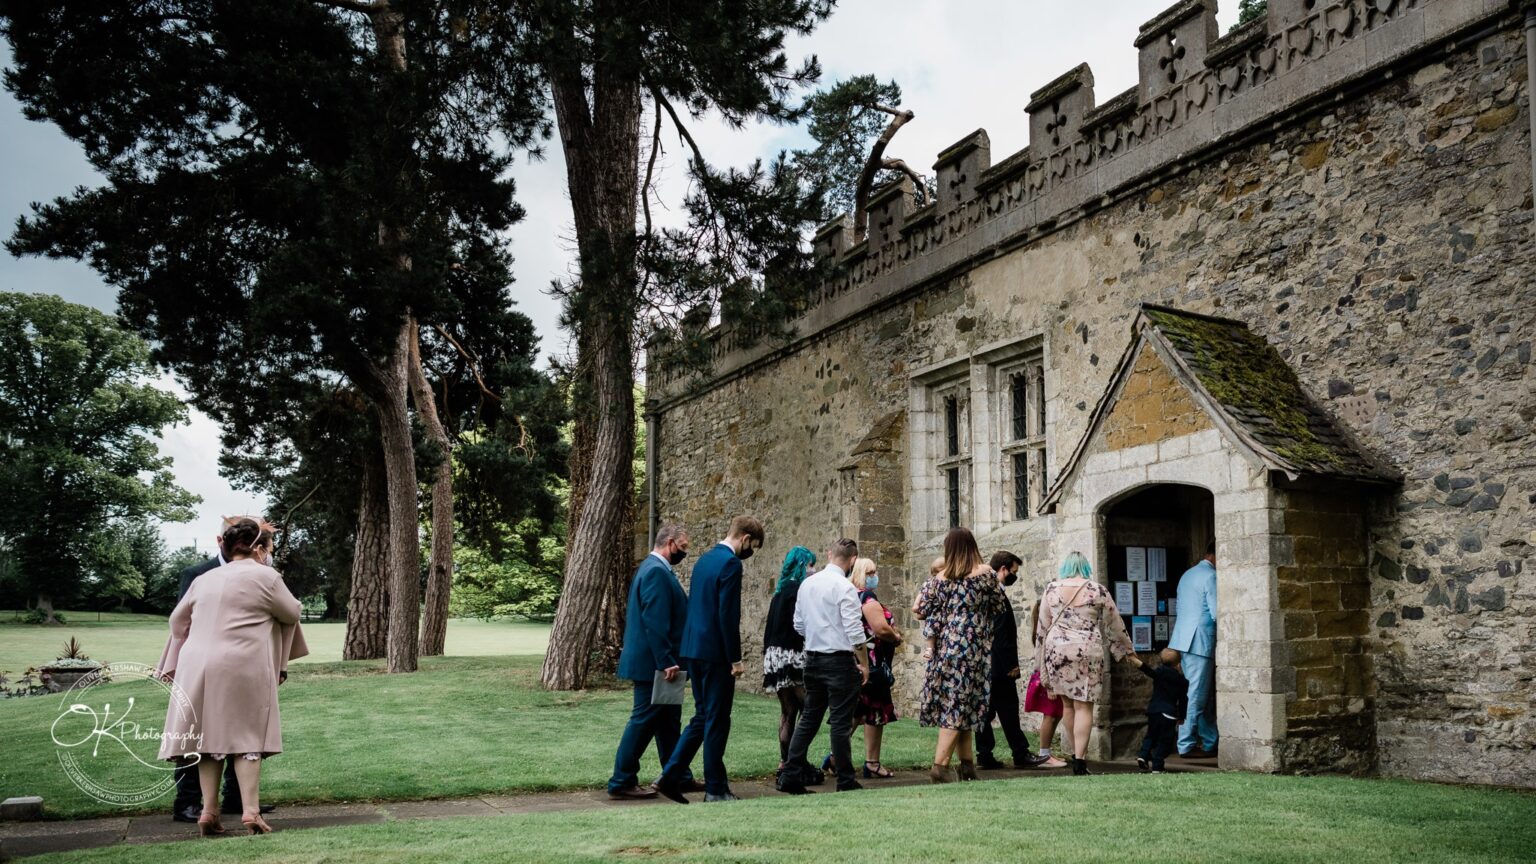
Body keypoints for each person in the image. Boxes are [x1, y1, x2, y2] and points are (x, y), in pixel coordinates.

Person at [157, 518, 308, 835]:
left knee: (207, 739)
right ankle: (251, 812)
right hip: (242, 663)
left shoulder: (206, 579)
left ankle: (209, 811)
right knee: (247, 737)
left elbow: (176, 621)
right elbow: (292, 612)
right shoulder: (267, 576)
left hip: (196, 664)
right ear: (260, 549)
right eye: (269, 548)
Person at [169, 516, 277, 824]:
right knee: (197, 733)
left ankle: (236, 800)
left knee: (240, 730)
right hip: (201, 666)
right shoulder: (197, 574)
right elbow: (182, 624)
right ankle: (187, 802)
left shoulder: (262, 574)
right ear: (222, 542)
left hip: (244, 665)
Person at [655, 516, 765, 803]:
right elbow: (727, 615)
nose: (750, 551)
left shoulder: (703, 560)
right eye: (753, 545)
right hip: (715, 652)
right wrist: (736, 658)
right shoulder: (731, 564)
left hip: (693, 649)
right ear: (745, 538)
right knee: (717, 720)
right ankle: (715, 788)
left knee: (703, 717)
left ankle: (670, 776)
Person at [608, 524, 704, 800]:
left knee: (668, 722)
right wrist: (665, 661)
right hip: (656, 665)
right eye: (683, 547)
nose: (685, 553)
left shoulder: (655, 570)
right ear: (670, 543)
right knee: (643, 721)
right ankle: (621, 780)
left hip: (664, 662)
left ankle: (677, 775)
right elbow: (655, 621)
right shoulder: (656, 572)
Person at [914, 528, 1009, 783]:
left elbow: (920, 609)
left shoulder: (940, 578)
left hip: (945, 648)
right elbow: (999, 606)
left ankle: (967, 767)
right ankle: (939, 767)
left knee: (960, 705)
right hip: (972, 648)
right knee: (958, 707)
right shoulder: (986, 574)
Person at [776, 538, 869, 794]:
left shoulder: (807, 585)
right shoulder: (845, 587)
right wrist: (864, 663)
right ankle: (845, 780)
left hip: (813, 659)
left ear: (830, 555)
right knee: (840, 722)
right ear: (853, 560)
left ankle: (791, 774)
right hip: (838, 660)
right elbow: (854, 631)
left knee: (809, 718)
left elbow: (798, 624)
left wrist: (816, 634)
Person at [1034, 551, 1136, 776]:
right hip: (1087, 649)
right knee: (1084, 705)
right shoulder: (1096, 589)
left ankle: (1074, 754)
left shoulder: (1051, 589)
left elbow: (1042, 627)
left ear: (1065, 568)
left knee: (1068, 705)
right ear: (1086, 568)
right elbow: (1115, 623)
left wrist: (1038, 662)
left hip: (1057, 650)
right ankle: (1080, 759)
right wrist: (1127, 651)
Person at [976, 551, 1049, 770]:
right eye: (1013, 571)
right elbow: (1000, 635)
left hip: (987, 664)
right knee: (1007, 709)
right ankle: (1020, 753)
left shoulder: (987, 592)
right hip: (998, 665)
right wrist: (1011, 665)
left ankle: (985, 754)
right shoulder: (995, 595)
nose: (1014, 576)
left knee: (986, 712)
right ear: (1003, 569)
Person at [848, 556, 903, 778]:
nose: (874, 577)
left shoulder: (850, 595)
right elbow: (879, 628)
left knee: (857, 710)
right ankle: (872, 762)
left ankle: (835, 756)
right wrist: (895, 636)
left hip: (857, 662)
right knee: (875, 711)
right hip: (872, 663)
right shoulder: (867, 597)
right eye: (870, 573)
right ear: (861, 574)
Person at [763, 546, 816, 770]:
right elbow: (802, 626)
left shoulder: (779, 593)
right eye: (811, 565)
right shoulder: (799, 591)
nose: (814, 570)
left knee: (787, 711)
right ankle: (796, 760)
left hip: (774, 655)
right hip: (792, 654)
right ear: (803, 566)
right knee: (809, 708)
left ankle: (785, 760)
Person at [1169, 542, 1219, 758]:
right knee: (1197, 696)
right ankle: (1186, 743)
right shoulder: (1211, 576)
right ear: (1216, 554)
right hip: (1201, 641)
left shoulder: (1187, 575)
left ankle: (1210, 740)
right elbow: (1218, 612)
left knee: (1201, 694)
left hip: (1184, 640)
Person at [1130, 648, 1189, 773]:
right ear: (1178, 664)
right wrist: (1182, 716)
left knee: (1150, 735)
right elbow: (1183, 700)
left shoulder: (1160, 672)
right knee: (1164, 740)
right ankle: (1157, 766)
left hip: (1154, 711)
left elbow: (1148, 670)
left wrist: (1135, 660)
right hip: (1169, 714)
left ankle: (1143, 755)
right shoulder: (1182, 681)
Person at [1026, 598, 1070, 768]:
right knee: (1050, 715)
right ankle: (1044, 755)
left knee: (1056, 714)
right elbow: (1043, 658)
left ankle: (1047, 752)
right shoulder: (1044, 634)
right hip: (1048, 679)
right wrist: (1049, 684)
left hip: (1052, 677)